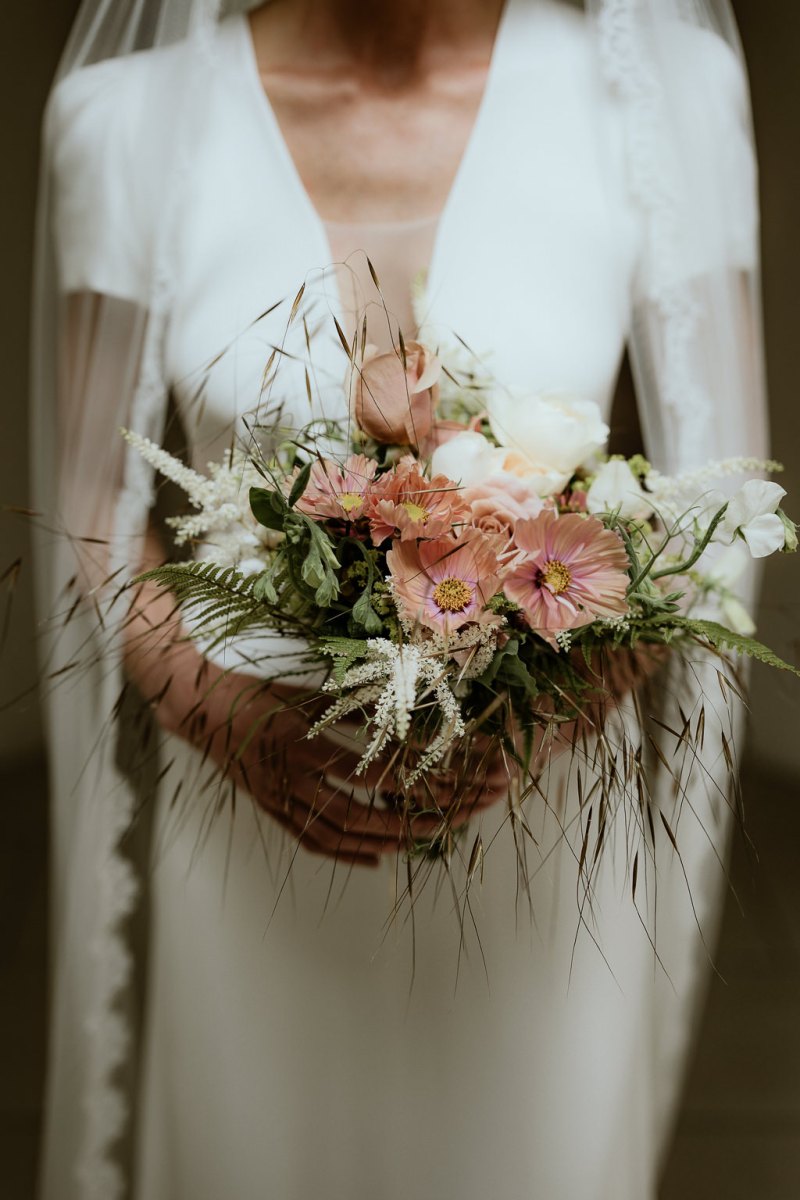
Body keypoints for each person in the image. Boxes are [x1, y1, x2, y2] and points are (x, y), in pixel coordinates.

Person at [33, 1, 768, 1197]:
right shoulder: (122, 123)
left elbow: (719, 491)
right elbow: (87, 496)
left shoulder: (659, 96)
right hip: (253, 814)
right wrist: (222, 717)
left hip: (536, 833)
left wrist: (552, 712)